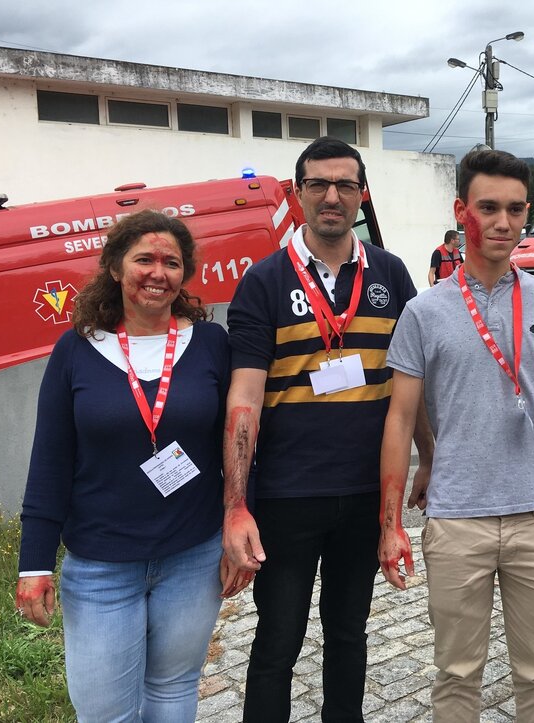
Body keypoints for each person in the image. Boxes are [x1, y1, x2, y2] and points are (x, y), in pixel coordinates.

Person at [222, 136, 431, 722]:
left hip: (365, 493)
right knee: (277, 643)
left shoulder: (391, 274)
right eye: (318, 184)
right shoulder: (262, 282)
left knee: (348, 634)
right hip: (288, 497)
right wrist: (234, 504)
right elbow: (244, 398)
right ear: (298, 194)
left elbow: (412, 387)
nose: (332, 196)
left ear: (362, 195)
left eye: (345, 184)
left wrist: (429, 458)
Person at [379, 149, 534, 723]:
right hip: (457, 520)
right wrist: (391, 522)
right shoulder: (424, 312)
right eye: (489, 208)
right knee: (456, 676)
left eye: (517, 209)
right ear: (461, 211)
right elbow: (400, 419)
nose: (504, 222)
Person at [15, 209, 245, 722]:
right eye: (144, 259)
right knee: (105, 713)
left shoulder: (210, 345)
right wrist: (34, 564)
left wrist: (237, 520)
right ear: (115, 268)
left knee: (172, 691)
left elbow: (235, 444)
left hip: (192, 557)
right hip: (101, 566)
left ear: (184, 275)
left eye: (171, 262)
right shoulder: (75, 351)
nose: (157, 273)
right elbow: (49, 462)